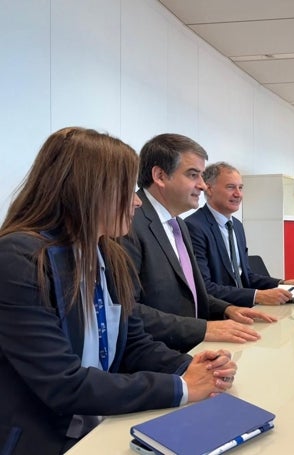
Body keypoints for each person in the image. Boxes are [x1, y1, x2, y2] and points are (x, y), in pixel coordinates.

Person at [0, 127, 237, 455]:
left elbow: (133, 344)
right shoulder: (17, 258)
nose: (138, 201)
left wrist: (194, 366)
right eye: (127, 189)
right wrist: (180, 387)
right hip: (46, 440)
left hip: (104, 425)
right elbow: (63, 384)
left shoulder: (107, 254)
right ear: (86, 189)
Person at [121, 134, 276, 353]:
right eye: (193, 175)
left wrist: (228, 309)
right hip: (155, 357)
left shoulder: (179, 224)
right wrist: (203, 329)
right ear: (160, 176)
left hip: (193, 348)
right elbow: (128, 311)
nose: (203, 186)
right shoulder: (127, 223)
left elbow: (192, 293)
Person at [185, 162, 294, 307]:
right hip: (219, 313)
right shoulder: (194, 226)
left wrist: (282, 283)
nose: (238, 194)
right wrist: (257, 296)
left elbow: (245, 275)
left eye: (240, 188)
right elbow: (204, 287)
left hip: (245, 306)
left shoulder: (236, 226)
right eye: (230, 187)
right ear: (209, 189)